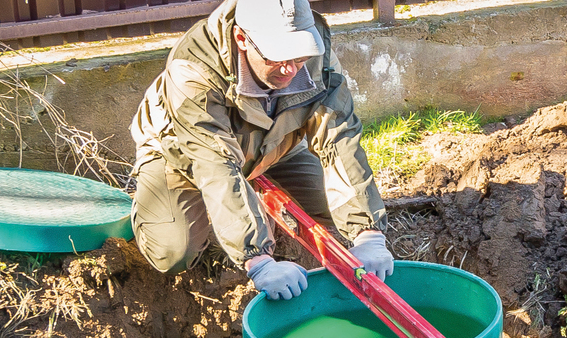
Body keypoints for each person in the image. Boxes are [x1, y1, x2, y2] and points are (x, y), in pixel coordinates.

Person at [129, 0, 392, 300]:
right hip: (183, 153)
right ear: (242, 38)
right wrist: (257, 258)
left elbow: (339, 137)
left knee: (334, 211)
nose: (290, 68)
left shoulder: (315, 56)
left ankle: (249, 195)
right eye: (278, 55)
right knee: (172, 252)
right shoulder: (193, 72)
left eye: (299, 55)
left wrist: (368, 233)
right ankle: (149, 209)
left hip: (270, 145)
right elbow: (214, 164)